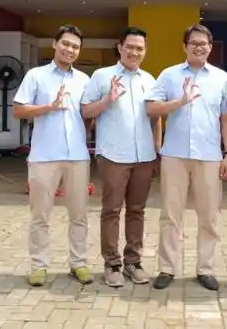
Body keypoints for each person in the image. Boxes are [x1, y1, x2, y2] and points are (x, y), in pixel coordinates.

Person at [145, 24, 227, 291]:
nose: (198, 47)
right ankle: (167, 268)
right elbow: (152, 108)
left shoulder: (221, 78)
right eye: (193, 43)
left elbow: (226, 118)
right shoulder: (169, 75)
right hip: (174, 155)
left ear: (210, 47)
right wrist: (180, 102)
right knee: (170, 215)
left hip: (209, 156)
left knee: (209, 216)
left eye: (203, 43)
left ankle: (205, 268)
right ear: (185, 46)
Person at [81, 27, 162, 288]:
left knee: (137, 210)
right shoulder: (102, 76)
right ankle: (112, 263)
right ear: (120, 48)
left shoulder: (149, 79)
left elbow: (155, 116)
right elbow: (85, 111)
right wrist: (107, 100)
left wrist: (157, 147)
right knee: (112, 210)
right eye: (130, 47)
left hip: (144, 156)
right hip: (113, 155)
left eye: (140, 48)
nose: (134, 52)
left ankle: (133, 262)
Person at [12, 25, 93, 287]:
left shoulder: (84, 80)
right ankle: (38, 266)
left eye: (75, 46)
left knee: (79, 214)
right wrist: (49, 107)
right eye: (66, 44)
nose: (70, 49)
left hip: (77, 156)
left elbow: (87, 115)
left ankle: (79, 263)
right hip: (44, 156)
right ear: (55, 44)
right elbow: (18, 110)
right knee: (40, 215)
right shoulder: (36, 76)